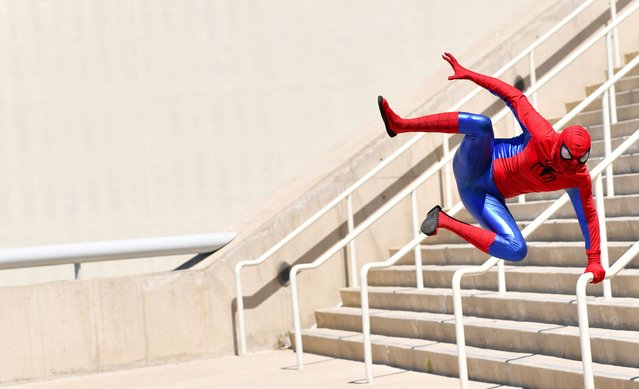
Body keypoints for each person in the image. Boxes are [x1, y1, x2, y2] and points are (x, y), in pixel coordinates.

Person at [377, 52, 605, 283]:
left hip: (483, 196)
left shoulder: (578, 178)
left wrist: (594, 260)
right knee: (482, 125)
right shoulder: (542, 134)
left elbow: (588, 217)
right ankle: (400, 125)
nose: (569, 164)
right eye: (566, 155)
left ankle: (444, 221)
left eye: (579, 159)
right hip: (477, 163)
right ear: (560, 145)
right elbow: (513, 96)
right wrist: (470, 75)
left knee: (517, 249)